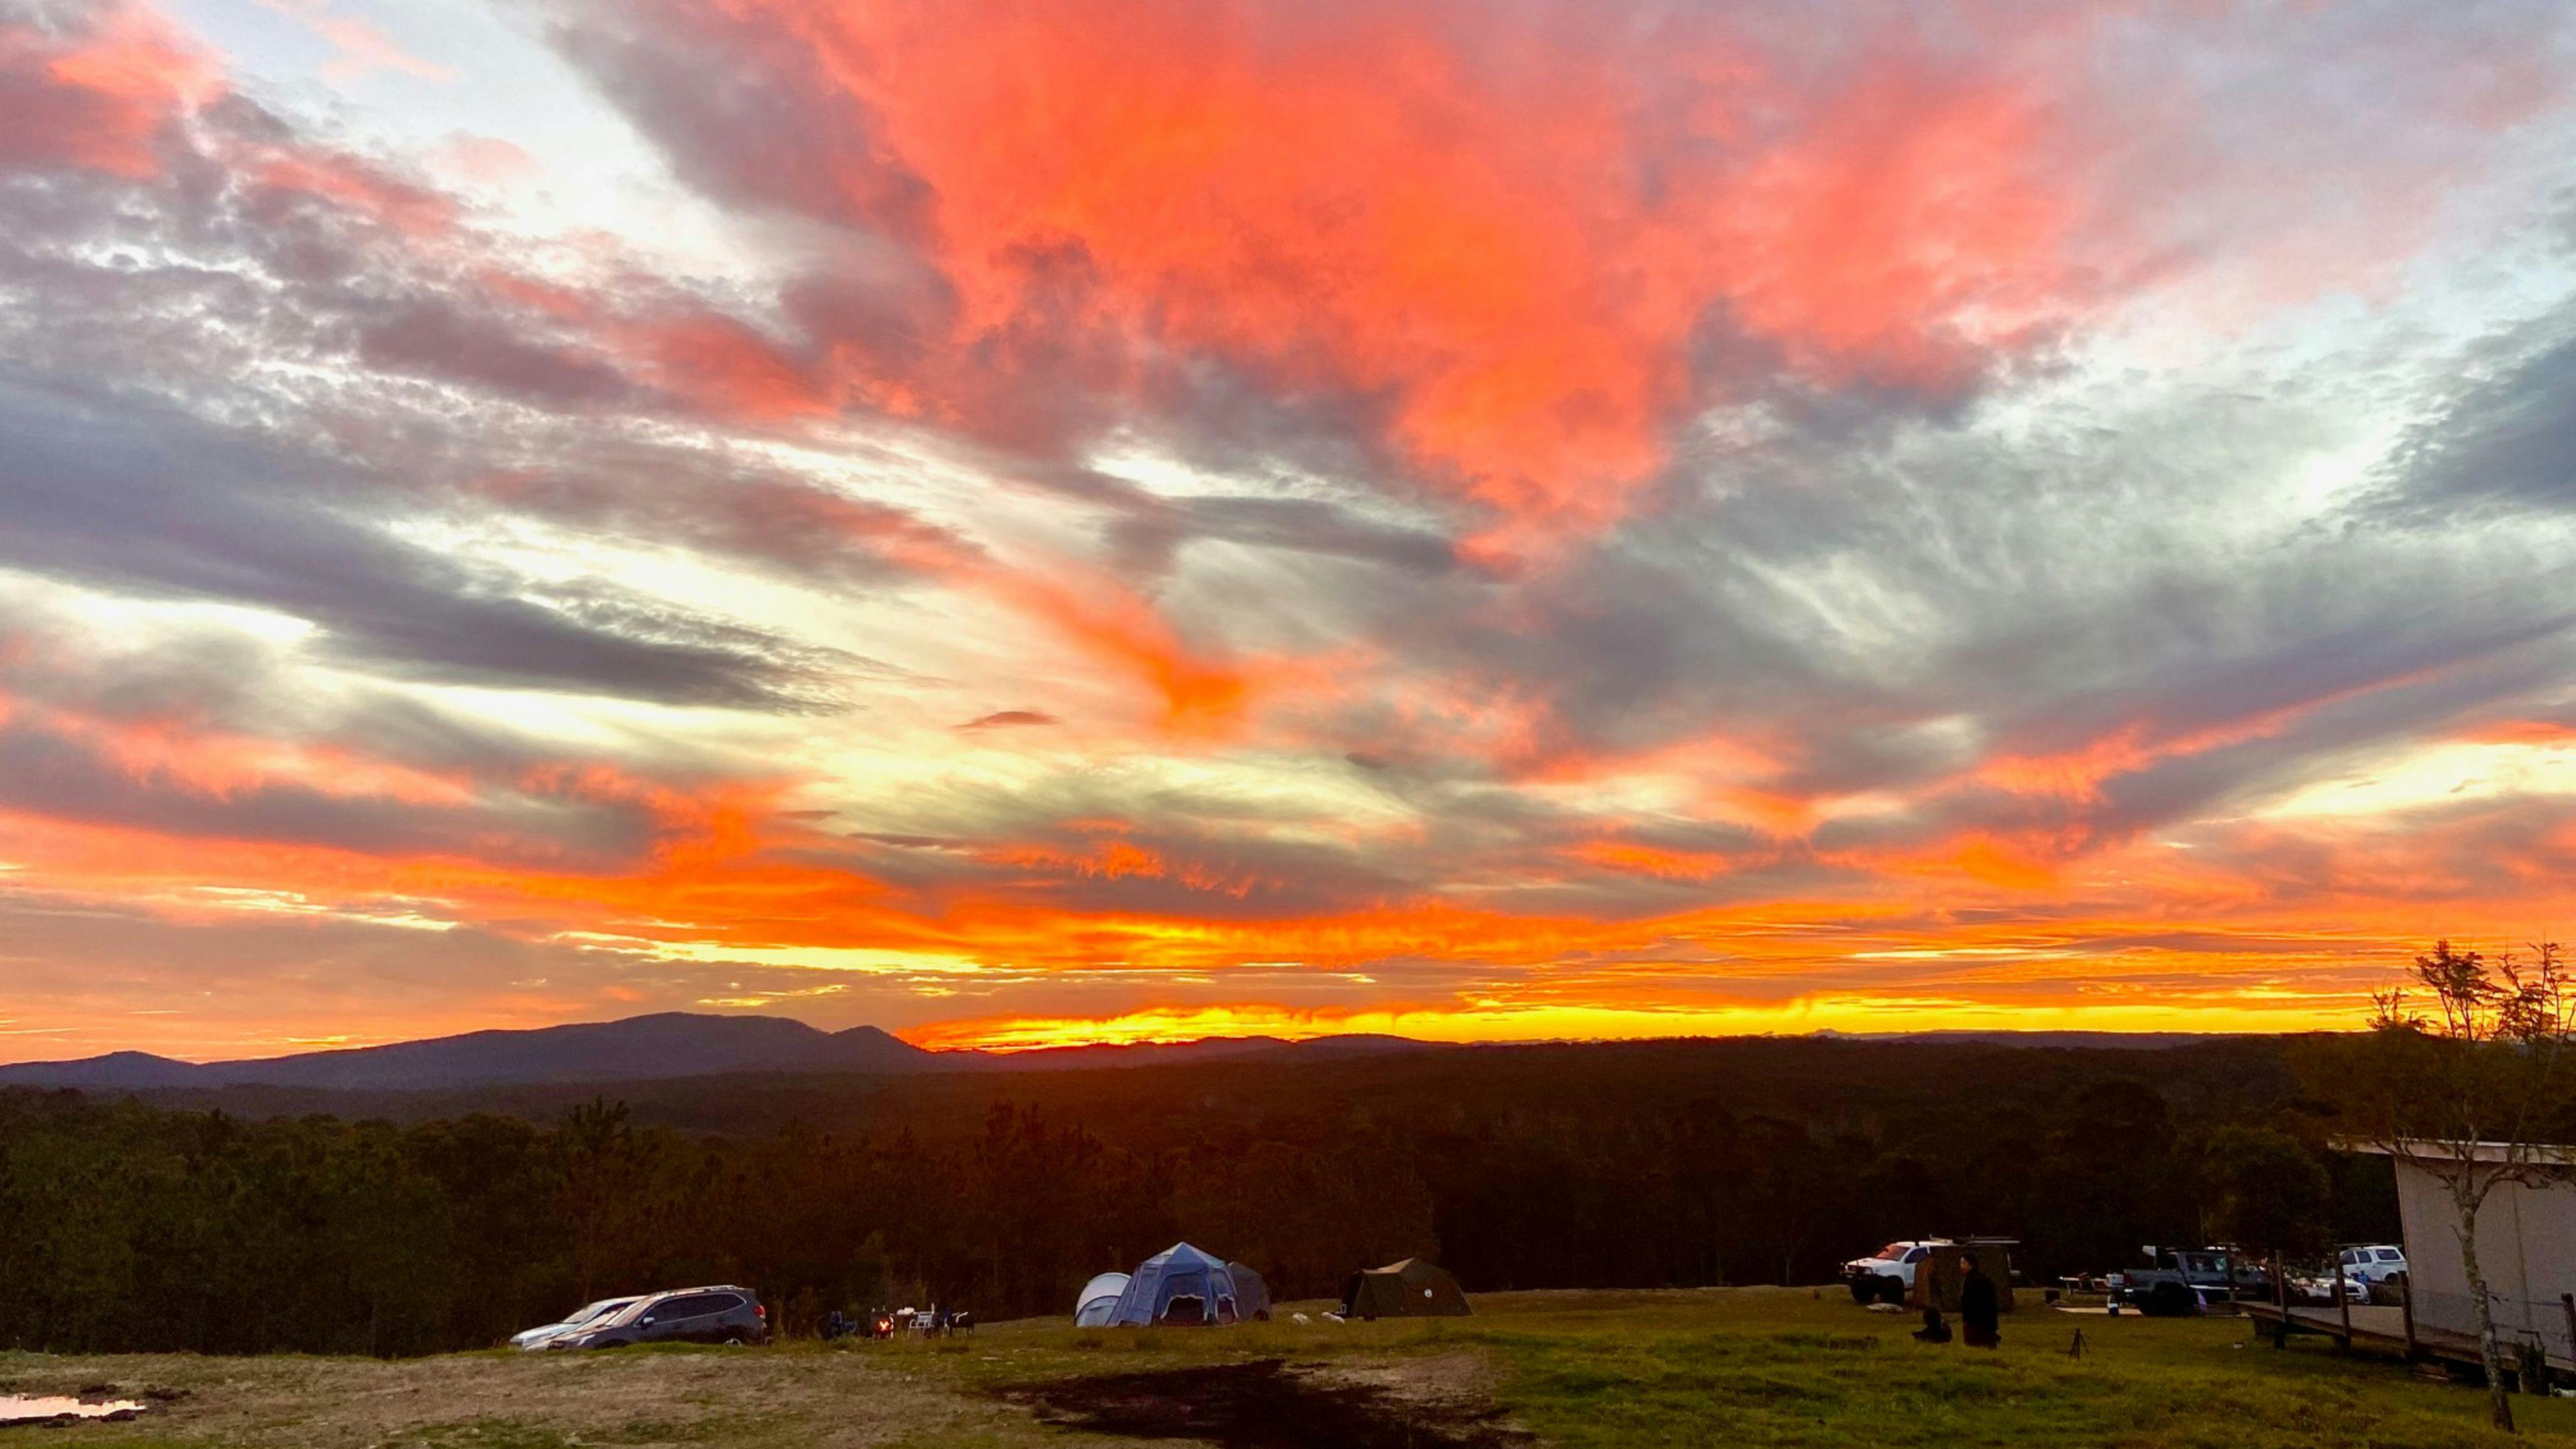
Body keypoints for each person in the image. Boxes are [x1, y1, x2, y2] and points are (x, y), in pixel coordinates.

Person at [1960, 1252, 2001, 1350]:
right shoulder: (1972, 1279)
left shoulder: (1975, 1281)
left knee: (1976, 1345)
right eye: (1961, 1263)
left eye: (1964, 1263)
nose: (1961, 1266)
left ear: (1972, 1265)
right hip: (1981, 1319)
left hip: (1978, 1319)